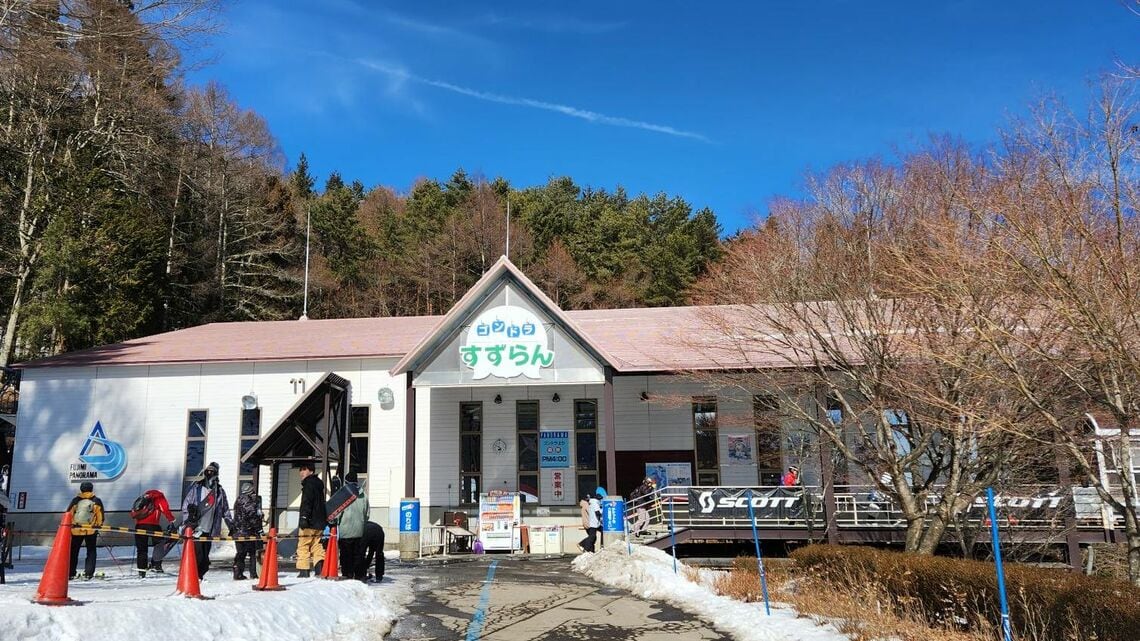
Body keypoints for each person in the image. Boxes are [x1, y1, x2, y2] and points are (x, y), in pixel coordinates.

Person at [181, 461, 233, 580]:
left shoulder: (219, 491)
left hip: (210, 528)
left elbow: (225, 510)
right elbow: (186, 505)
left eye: (212, 472)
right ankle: (194, 577)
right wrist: (190, 514)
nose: (210, 474)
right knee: (198, 554)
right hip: (196, 527)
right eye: (208, 472)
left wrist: (231, 525)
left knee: (205, 557)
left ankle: (200, 575)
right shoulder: (197, 488)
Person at [130, 488, 175, 578]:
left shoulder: (144, 498)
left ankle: (141, 570)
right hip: (153, 525)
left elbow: (134, 512)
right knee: (160, 543)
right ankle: (156, 564)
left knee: (142, 549)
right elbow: (164, 509)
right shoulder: (159, 497)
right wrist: (171, 520)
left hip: (139, 525)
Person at [296, 460, 327, 578]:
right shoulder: (319, 485)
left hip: (309, 521)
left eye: (305, 469)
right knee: (316, 544)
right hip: (319, 522)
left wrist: (304, 517)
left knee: (303, 545)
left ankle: (304, 570)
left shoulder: (308, 484)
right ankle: (319, 568)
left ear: (311, 471)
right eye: (301, 469)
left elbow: (306, 502)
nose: (301, 472)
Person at [335, 472, 368, 581]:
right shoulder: (363, 495)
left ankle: (348, 574)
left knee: (346, 555)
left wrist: (336, 521)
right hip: (359, 530)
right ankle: (359, 575)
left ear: (346, 482)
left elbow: (337, 513)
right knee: (358, 554)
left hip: (346, 530)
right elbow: (367, 514)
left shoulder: (343, 495)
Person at [67, 481, 104, 580]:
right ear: (91, 489)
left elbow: (68, 514)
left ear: (81, 489)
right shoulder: (96, 501)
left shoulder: (75, 501)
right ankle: (88, 573)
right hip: (91, 530)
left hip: (76, 530)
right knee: (91, 551)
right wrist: (98, 526)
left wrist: (70, 526)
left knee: (74, 552)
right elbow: (100, 516)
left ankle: (71, 573)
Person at [231, 481, 263, 580]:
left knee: (240, 553)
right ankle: (253, 573)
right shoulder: (251, 501)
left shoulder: (238, 500)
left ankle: (237, 572)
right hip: (249, 532)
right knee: (253, 553)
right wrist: (259, 529)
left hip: (237, 531)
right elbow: (253, 517)